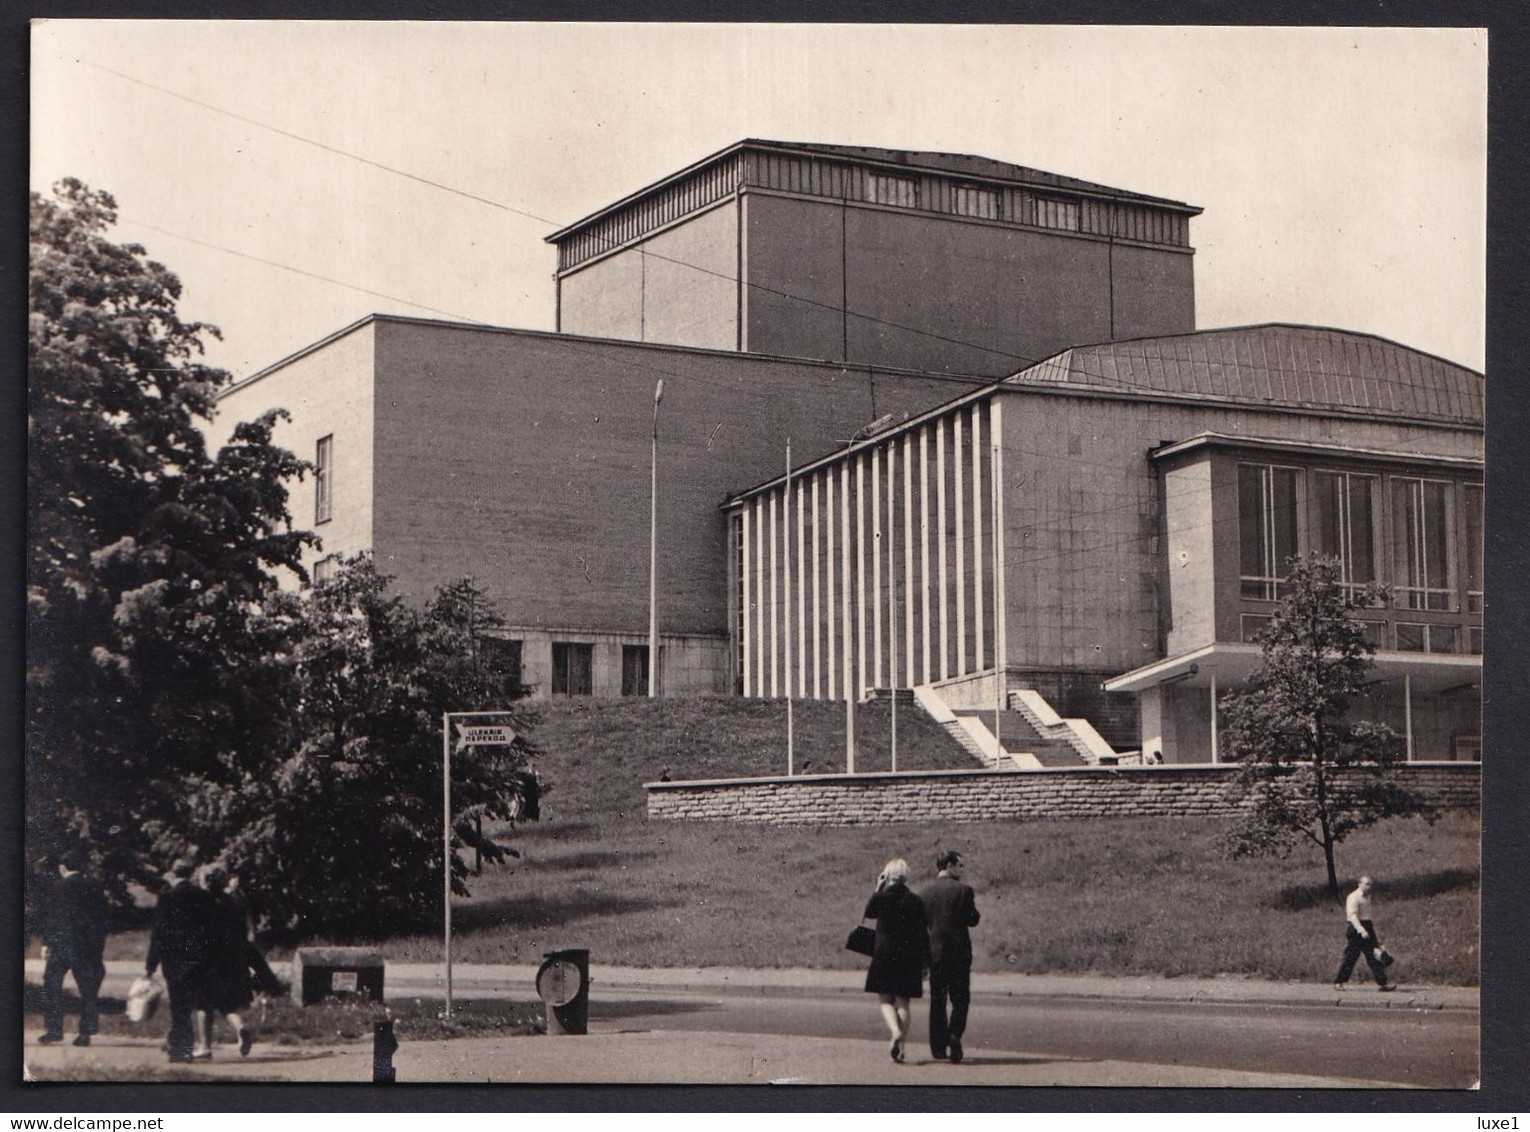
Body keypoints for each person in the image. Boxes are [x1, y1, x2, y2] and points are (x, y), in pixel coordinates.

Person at [145, 858, 218, 1063]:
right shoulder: (203, 896)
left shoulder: (167, 897)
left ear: (172, 874)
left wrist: (151, 965)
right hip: (201, 958)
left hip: (175, 960)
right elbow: (212, 929)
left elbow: (159, 933)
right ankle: (180, 1044)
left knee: (179, 1006)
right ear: (191, 873)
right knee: (196, 1001)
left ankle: (181, 1048)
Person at [38, 849, 108, 1047]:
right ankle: (85, 1032)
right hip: (87, 946)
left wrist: (46, 943)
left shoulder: (57, 887)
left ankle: (53, 1030)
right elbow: (102, 917)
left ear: (62, 868)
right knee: (87, 989)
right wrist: (98, 944)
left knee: (52, 985)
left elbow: (53, 918)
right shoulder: (94, 886)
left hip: (61, 946)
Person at [863, 857, 929, 1063]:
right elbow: (922, 933)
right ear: (906, 876)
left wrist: (878, 886)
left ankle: (894, 1031)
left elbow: (868, 913)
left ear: (888, 875)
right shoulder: (916, 900)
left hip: (884, 954)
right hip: (909, 957)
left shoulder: (881, 898)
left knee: (885, 998)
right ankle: (901, 1047)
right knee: (903, 1002)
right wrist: (925, 962)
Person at [920, 849, 981, 1063]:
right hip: (959, 954)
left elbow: (921, 925)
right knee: (960, 999)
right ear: (949, 866)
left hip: (935, 954)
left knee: (938, 1000)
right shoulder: (964, 891)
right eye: (960, 866)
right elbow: (973, 919)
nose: (962, 870)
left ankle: (938, 1048)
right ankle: (955, 1034)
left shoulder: (924, 892)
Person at [192, 866, 257, 1059]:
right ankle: (240, 1027)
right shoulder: (232, 902)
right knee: (225, 1003)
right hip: (228, 959)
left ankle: (205, 1045)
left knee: (202, 1004)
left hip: (206, 959)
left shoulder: (202, 902)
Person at [1333, 874, 1396, 992]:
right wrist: (1361, 931)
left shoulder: (1368, 897)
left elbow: (1367, 916)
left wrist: (1371, 932)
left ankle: (1383, 983)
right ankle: (1339, 982)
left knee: (1374, 955)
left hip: (1367, 925)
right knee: (1351, 957)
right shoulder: (1353, 897)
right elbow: (1352, 916)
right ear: (1359, 884)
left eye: (1370, 885)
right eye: (1366, 884)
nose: (1368, 887)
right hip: (1356, 929)